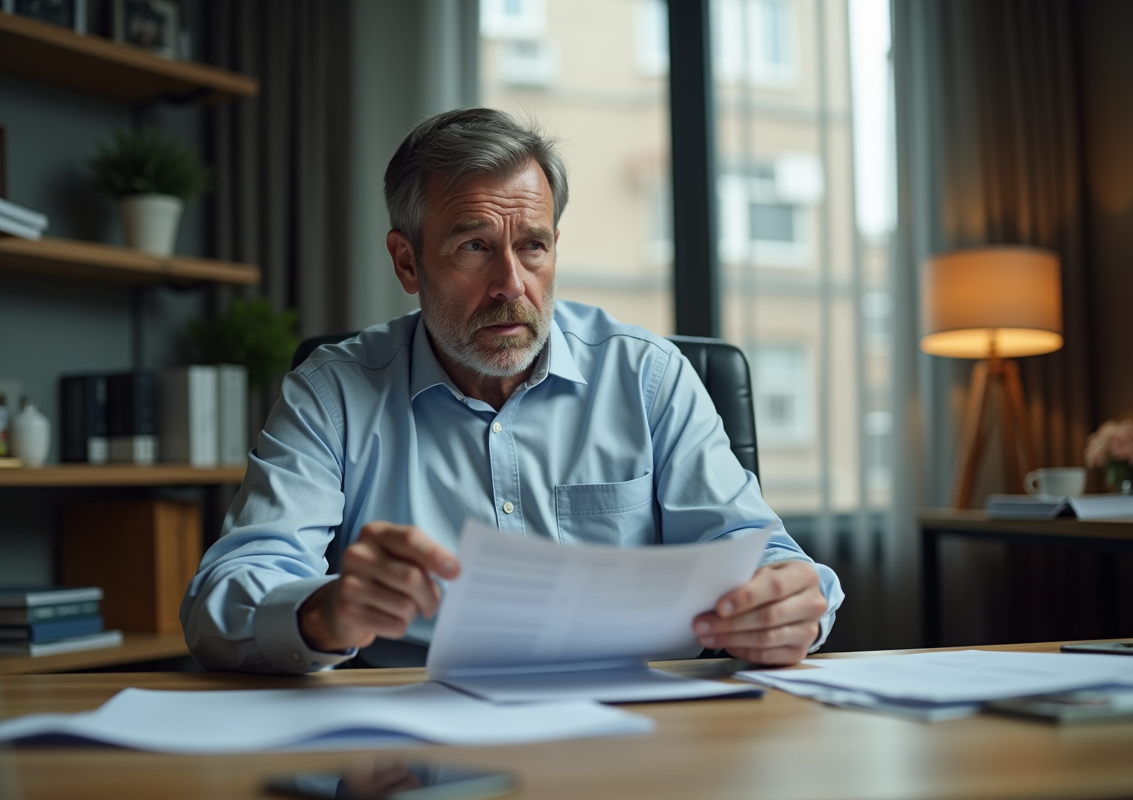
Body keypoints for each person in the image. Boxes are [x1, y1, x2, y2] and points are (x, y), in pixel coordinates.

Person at [180, 108, 844, 673]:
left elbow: (768, 557)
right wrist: (323, 611)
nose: (511, 284)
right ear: (407, 262)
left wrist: (791, 606)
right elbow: (226, 593)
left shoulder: (649, 376)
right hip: (412, 747)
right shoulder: (332, 392)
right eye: (474, 246)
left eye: (532, 246)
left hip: (632, 741)